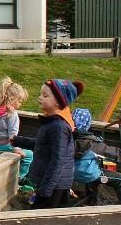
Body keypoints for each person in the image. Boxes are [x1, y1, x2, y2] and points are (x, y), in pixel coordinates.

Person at [13, 78, 84, 209]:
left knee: (40, 214)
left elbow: (58, 159)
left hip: (55, 184)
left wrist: (47, 188)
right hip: (50, 181)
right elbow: (42, 145)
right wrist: (17, 140)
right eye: (41, 94)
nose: (40, 98)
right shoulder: (52, 122)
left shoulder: (58, 126)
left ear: (58, 102)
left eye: (45, 95)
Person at [72, 108, 121, 205]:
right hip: (89, 174)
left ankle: (91, 201)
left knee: (92, 174)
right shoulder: (92, 144)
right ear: (88, 124)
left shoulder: (65, 138)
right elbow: (116, 153)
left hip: (70, 173)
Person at [0, 77, 33, 180]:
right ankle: (20, 177)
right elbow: (12, 135)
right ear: (12, 99)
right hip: (6, 146)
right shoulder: (12, 113)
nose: (20, 104)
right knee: (29, 154)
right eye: (20, 101)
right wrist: (17, 148)